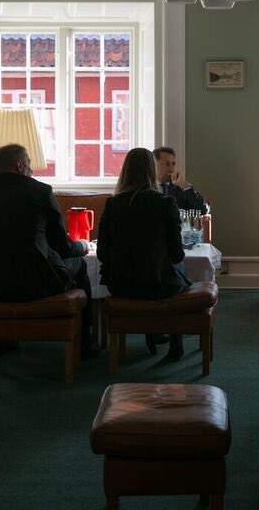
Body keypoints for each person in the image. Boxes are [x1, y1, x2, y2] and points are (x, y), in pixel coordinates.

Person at [0, 144, 95, 357]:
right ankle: (84, 344)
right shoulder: (40, 191)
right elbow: (62, 246)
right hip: (34, 282)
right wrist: (83, 245)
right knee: (80, 265)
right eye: (29, 164)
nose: (31, 170)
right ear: (20, 164)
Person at [97, 147, 191, 361]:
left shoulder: (112, 204)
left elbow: (102, 253)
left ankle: (153, 332)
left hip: (120, 285)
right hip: (159, 285)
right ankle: (175, 342)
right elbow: (176, 255)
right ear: (151, 170)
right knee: (178, 271)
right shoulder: (165, 203)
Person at [153, 146, 209, 213]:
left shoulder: (182, 187)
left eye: (173, 164)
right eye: (167, 164)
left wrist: (185, 185)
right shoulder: (146, 187)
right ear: (154, 164)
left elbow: (202, 210)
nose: (171, 168)